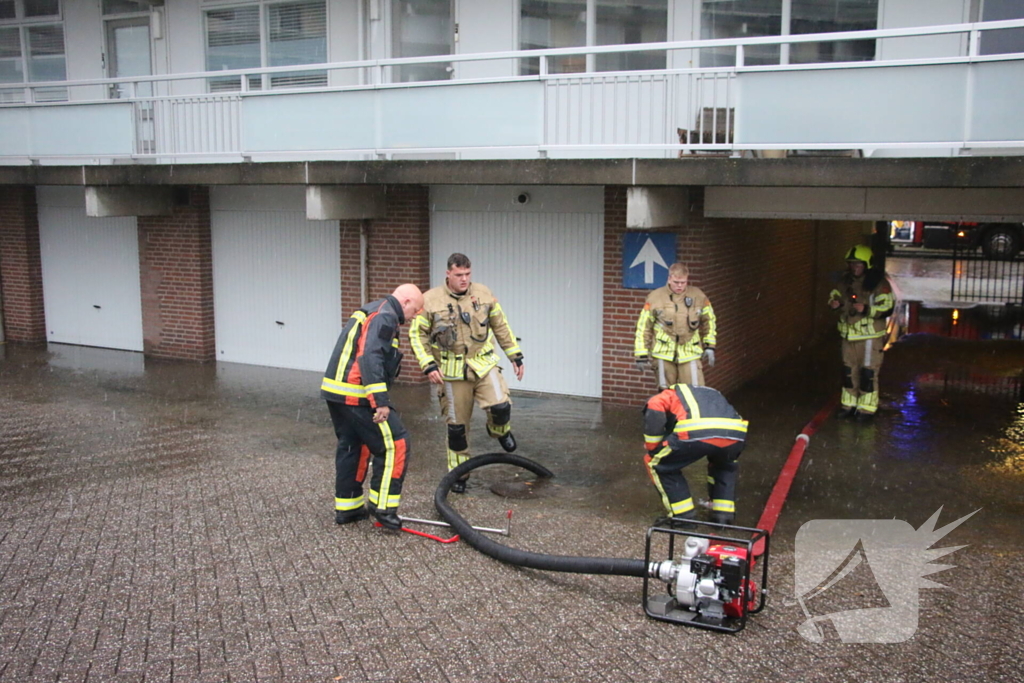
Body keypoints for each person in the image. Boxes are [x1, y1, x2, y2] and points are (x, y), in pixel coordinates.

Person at [409, 253, 524, 493]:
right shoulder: (429, 300)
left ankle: (499, 431)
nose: (464, 279)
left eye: (468, 274)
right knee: (457, 429)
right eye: (459, 275)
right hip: (451, 372)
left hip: (483, 363)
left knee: (501, 405)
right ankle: (460, 474)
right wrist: (428, 365)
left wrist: (515, 355)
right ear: (448, 274)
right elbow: (416, 336)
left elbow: (500, 325)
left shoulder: (482, 293)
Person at [321, 283, 424, 530]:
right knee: (395, 443)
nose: (415, 317)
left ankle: (349, 509)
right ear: (407, 302)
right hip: (357, 395)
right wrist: (380, 402)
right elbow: (370, 356)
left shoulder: (372, 309)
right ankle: (384, 510)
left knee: (352, 445)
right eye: (416, 310)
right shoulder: (385, 316)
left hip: (337, 393)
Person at [643, 383, 748, 524]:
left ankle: (683, 516)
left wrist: (653, 447)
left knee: (658, 464)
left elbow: (654, 407)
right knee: (724, 466)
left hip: (696, 433)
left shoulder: (668, 394)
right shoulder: (710, 392)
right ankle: (723, 516)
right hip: (735, 434)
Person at [827, 245, 894, 420]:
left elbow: (887, 307)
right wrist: (834, 303)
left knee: (868, 373)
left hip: (870, 337)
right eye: (852, 264)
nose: (855, 268)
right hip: (848, 334)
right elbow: (835, 295)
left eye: (858, 264)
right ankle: (848, 405)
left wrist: (867, 309)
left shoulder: (879, 283)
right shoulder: (844, 282)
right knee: (848, 372)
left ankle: (866, 409)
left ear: (867, 264)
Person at [634, 262, 717, 389]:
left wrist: (710, 346)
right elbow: (644, 327)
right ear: (669, 278)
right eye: (676, 282)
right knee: (666, 396)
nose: (679, 286)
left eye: (683, 282)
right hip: (663, 354)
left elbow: (709, 321)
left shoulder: (698, 296)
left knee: (694, 394)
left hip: (690, 353)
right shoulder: (655, 297)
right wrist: (641, 354)